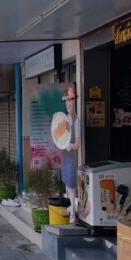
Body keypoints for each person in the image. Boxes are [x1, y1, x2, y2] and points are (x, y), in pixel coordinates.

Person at [60, 86, 82, 224]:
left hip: (72, 157)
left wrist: (70, 145)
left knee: (72, 186)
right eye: (67, 102)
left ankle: (73, 213)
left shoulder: (76, 121)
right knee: (68, 185)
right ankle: (71, 207)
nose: (68, 104)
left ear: (74, 103)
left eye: (71, 102)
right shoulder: (64, 119)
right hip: (65, 156)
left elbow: (78, 144)